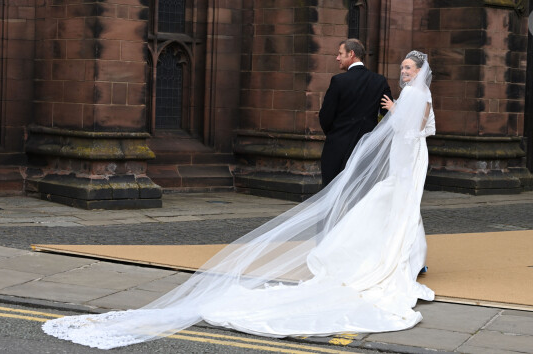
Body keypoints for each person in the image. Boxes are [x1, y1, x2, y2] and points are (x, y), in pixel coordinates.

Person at [42, 51, 436, 349]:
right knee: (396, 209)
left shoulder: (416, 96)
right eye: (402, 67)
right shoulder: (399, 91)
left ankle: (405, 258)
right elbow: (401, 126)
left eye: (408, 69)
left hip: (409, 157)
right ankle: (403, 258)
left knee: (399, 208)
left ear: (420, 71)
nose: (403, 72)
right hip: (403, 158)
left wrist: (397, 111)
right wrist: (395, 108)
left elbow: (416, 130)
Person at [319, 38, 392, 186]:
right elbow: (387, 114)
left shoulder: (339, 81)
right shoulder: (379, 81)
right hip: (367, 148)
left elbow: (325, 116)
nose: (337, 58)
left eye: (340, 54)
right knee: (360, 192)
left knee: (333, 191)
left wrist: (335, 134)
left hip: (338, 146)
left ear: (351, 54)